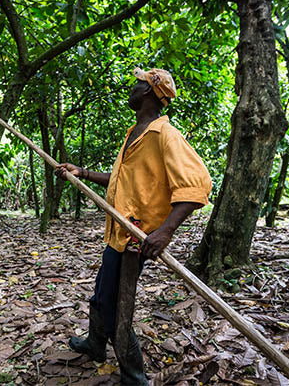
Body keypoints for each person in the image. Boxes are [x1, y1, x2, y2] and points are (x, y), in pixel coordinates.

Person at [56, 67, 212, 385]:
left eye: (138, 84)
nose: (132, 88)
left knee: (117, 307)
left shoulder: (164, 135)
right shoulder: (134, 133)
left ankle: (134, 376)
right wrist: (82, 173)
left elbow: (198, 187)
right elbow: (122, 181)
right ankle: (96, 344)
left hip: (136, 240)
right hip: (118, 233)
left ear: (147, 93)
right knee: (101, 294)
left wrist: (165, 230)